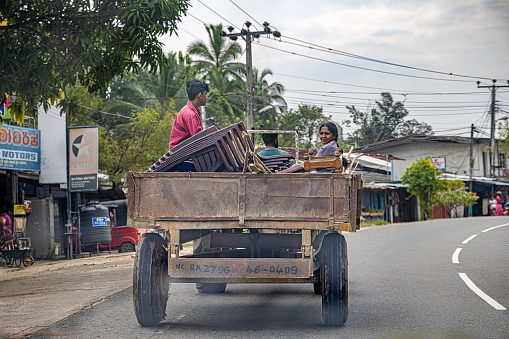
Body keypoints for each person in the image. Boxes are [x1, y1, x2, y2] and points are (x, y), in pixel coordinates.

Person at [168, 79, 209, 150]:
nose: (207, 98)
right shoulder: (190, 114)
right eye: (205, 94)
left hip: (185, 150)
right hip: (179, 154)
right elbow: (199, 138)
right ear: (199, 95)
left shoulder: (193, 111)